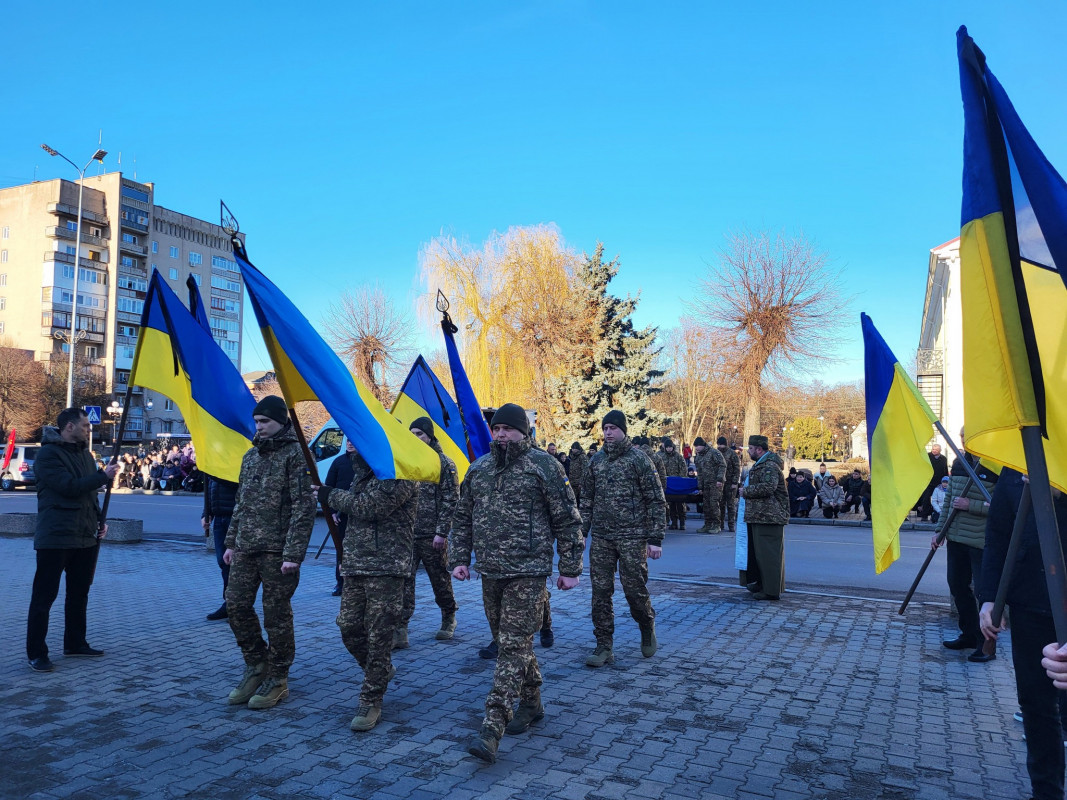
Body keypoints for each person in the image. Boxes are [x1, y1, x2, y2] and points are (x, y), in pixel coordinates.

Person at [450, 403, 583, 764]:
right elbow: (462, 518)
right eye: (496, 429)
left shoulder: (544, 466)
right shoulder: (479, 469)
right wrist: (459, 558)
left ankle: (493, 725)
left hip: (529, 571)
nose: (501, 434)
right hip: (490, 571)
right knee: (515, 643)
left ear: (524, 432)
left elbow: (568, 520)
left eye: (509, 428)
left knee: (510, 645)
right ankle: (533, 703)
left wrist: (569, 567)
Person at [312, 442, 417, 732]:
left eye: (359, 439)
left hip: (387, 567)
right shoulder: (361, 474)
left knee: (379, 635)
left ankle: (371, 700)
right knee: (347, 627)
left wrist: (329, 494)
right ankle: (381, 671)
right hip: (357, 565)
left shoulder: (399, 474)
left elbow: (369, 508)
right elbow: (355, 521)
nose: (352, 444)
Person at [222, 396, 315, 710]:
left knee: (276, 616)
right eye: (257, 422)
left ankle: (278, 676)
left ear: (281, 422)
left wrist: (294, 553)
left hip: (278, 551)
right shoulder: (250, 457)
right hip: (246, 547)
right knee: (235, 605)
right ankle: (256, 663)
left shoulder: (297, 455)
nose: (259, 427)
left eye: (265, 422)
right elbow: (241, 504)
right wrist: (231, 543)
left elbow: (304, 508)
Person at [980, 469, 1067, 800]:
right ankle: (1046, 793)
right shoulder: (1015, 461)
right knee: (1036, 707)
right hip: (1029, 604)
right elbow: (999, 533)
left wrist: (1056, 498)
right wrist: (990, 597)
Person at [26, 408, 120, 672]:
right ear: (69, 427)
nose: (89, 429)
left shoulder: (84, 454)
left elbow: (89, 495)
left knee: (79, 593)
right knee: (44, 596)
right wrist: (104, 476)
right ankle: (36, 652)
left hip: (84, 535)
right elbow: (68, 487)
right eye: (85, 425)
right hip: (55, 536)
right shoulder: (47, 455)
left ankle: (75, 642)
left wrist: (99, 520)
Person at [580, 410, 665, 668]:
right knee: (600, 593)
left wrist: (655, 539)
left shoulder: (639, 460)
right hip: (603, 538)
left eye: (613, 428)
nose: (608, 433)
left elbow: (656, 500)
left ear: (623, 431)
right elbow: (586, 501)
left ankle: (646, 624)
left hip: (632, 537)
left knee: (634, 591)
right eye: (605, 428)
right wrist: (581, 533)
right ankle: (604, 645)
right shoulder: (595, 461)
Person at [396, 417, 459, 647]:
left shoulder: (443, 463)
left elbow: (451, 500)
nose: (416, 438)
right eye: (411, 433)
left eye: (420, 434)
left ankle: (448, 616)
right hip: (407, 535)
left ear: (430, 436)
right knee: (404, 582)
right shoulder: (406, 461)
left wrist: (442, 532)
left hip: (433, 536)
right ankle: (401, 628)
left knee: (440, 580)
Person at [936, 450, 996, 663]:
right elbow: (950, 500)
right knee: (957, 586)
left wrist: (972, 506)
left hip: (981, 541)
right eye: (962, 436)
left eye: (966, 435)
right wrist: (940, 530)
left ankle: (987, 644)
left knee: (984, 593)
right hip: (956, 538)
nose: (963, 440)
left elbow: (1001, 505)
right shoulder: (959, 463)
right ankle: (969, 634)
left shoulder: (995, 463)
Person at [741, 435, 789, 601]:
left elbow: (769, 487)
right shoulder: (762, 464)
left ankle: (771, 590)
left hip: (770, 516)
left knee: (769, 556)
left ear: (759, 449)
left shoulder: (769, 466)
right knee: (759, 555)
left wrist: (745, 491)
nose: (749, 452)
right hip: (760, 515)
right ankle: (762, 584)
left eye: (751, 449)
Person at [201, 474, 239, 620]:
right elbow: (210, 489)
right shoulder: (214, 465)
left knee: (233, 563)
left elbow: (235, 486)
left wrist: (216, 474)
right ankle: (229, 603)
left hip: (234, 518)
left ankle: (235, 604)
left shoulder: (229, 464)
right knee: (223, 563)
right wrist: (206, 513)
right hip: (219, 518)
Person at [322, 440, 356, 596]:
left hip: (358, 512)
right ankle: (340, 583)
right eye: (348, 440)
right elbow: (328, 488)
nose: (350, 443)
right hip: (341, 515)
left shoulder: (366, 463)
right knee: (341, 549)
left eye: (353, 441)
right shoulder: (339, 461)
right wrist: (332, 512)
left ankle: (354, 583)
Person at [692, 437, 726, 533]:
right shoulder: (698, 457)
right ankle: (707, 524)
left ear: (703, 445)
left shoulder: (714, 453)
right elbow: (699, 472)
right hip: (706, 484)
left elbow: (722, 465)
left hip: (715, 483)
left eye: (698, 446)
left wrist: (720, 479)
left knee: (714, 504)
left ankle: (716, 525)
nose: (696, 448)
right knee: (706, 506)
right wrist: (700, 487)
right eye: (695, 446)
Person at [918, 444, 949, 521]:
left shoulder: (944, 459)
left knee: (938, 499)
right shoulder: (927, 456)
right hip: (928, 481)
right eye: (933, 449)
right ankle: (924, 515)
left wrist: (946, 480)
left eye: (936, 450)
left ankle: (935, 514)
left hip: (938, 482)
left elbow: (945, 470)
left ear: (940, 451)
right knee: (926, 498)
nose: (934, 451)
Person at [661, 439, 688, 530]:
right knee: (671, 504)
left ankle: (682, 522)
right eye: (667, 447)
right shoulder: (662, 457)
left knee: (680, 503)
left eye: (670, 447)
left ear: (673, 447)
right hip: (668, 483)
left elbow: (683, 468)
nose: (669, 449)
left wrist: (681, 479)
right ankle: (674, 522)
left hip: (678, 483)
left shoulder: (678, 457)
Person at [717, 437, 741, 533]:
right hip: (720, 482)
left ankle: (731, 525)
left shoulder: (731, 453)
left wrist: (735, 482)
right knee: (721, 504)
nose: (720, 446)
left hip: (730, 482)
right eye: (719, 444)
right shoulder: (717, 453)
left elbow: (737, 468)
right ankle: (721, 524)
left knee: (730, 505)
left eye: (721, 444)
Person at [567, 442, 589, 506]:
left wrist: (581, 482)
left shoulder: (582, 457)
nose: (572, 450)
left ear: (578, 449)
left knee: (581, 500)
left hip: (580, 484)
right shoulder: (572, 457)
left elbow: (585, 470)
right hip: (572, 483)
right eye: (572, 448)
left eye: (574, 449)